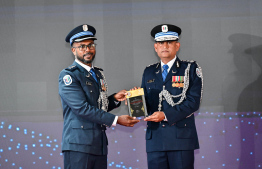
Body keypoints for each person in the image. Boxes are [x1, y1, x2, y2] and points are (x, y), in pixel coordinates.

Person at [58, 24, 139, 169]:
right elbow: (82, 108)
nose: (87, 50)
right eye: (82, 46)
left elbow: (98, 106)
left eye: (90, 45)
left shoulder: (97, 73)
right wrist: (116, 120)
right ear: (73, 50)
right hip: (79, 145)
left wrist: (114, 99)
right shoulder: (68, 75)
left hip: (98, 144)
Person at [141, 24, 203, 169]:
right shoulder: (149, 71)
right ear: (155, 47)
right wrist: (135, 100)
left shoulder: (190, 68)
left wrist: (165, 115)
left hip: (180, 138)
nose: (165, 46)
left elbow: (193, 102)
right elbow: (147, 106)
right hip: (155, 139)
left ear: (177, 46)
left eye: (169, 42)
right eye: (161, 43)